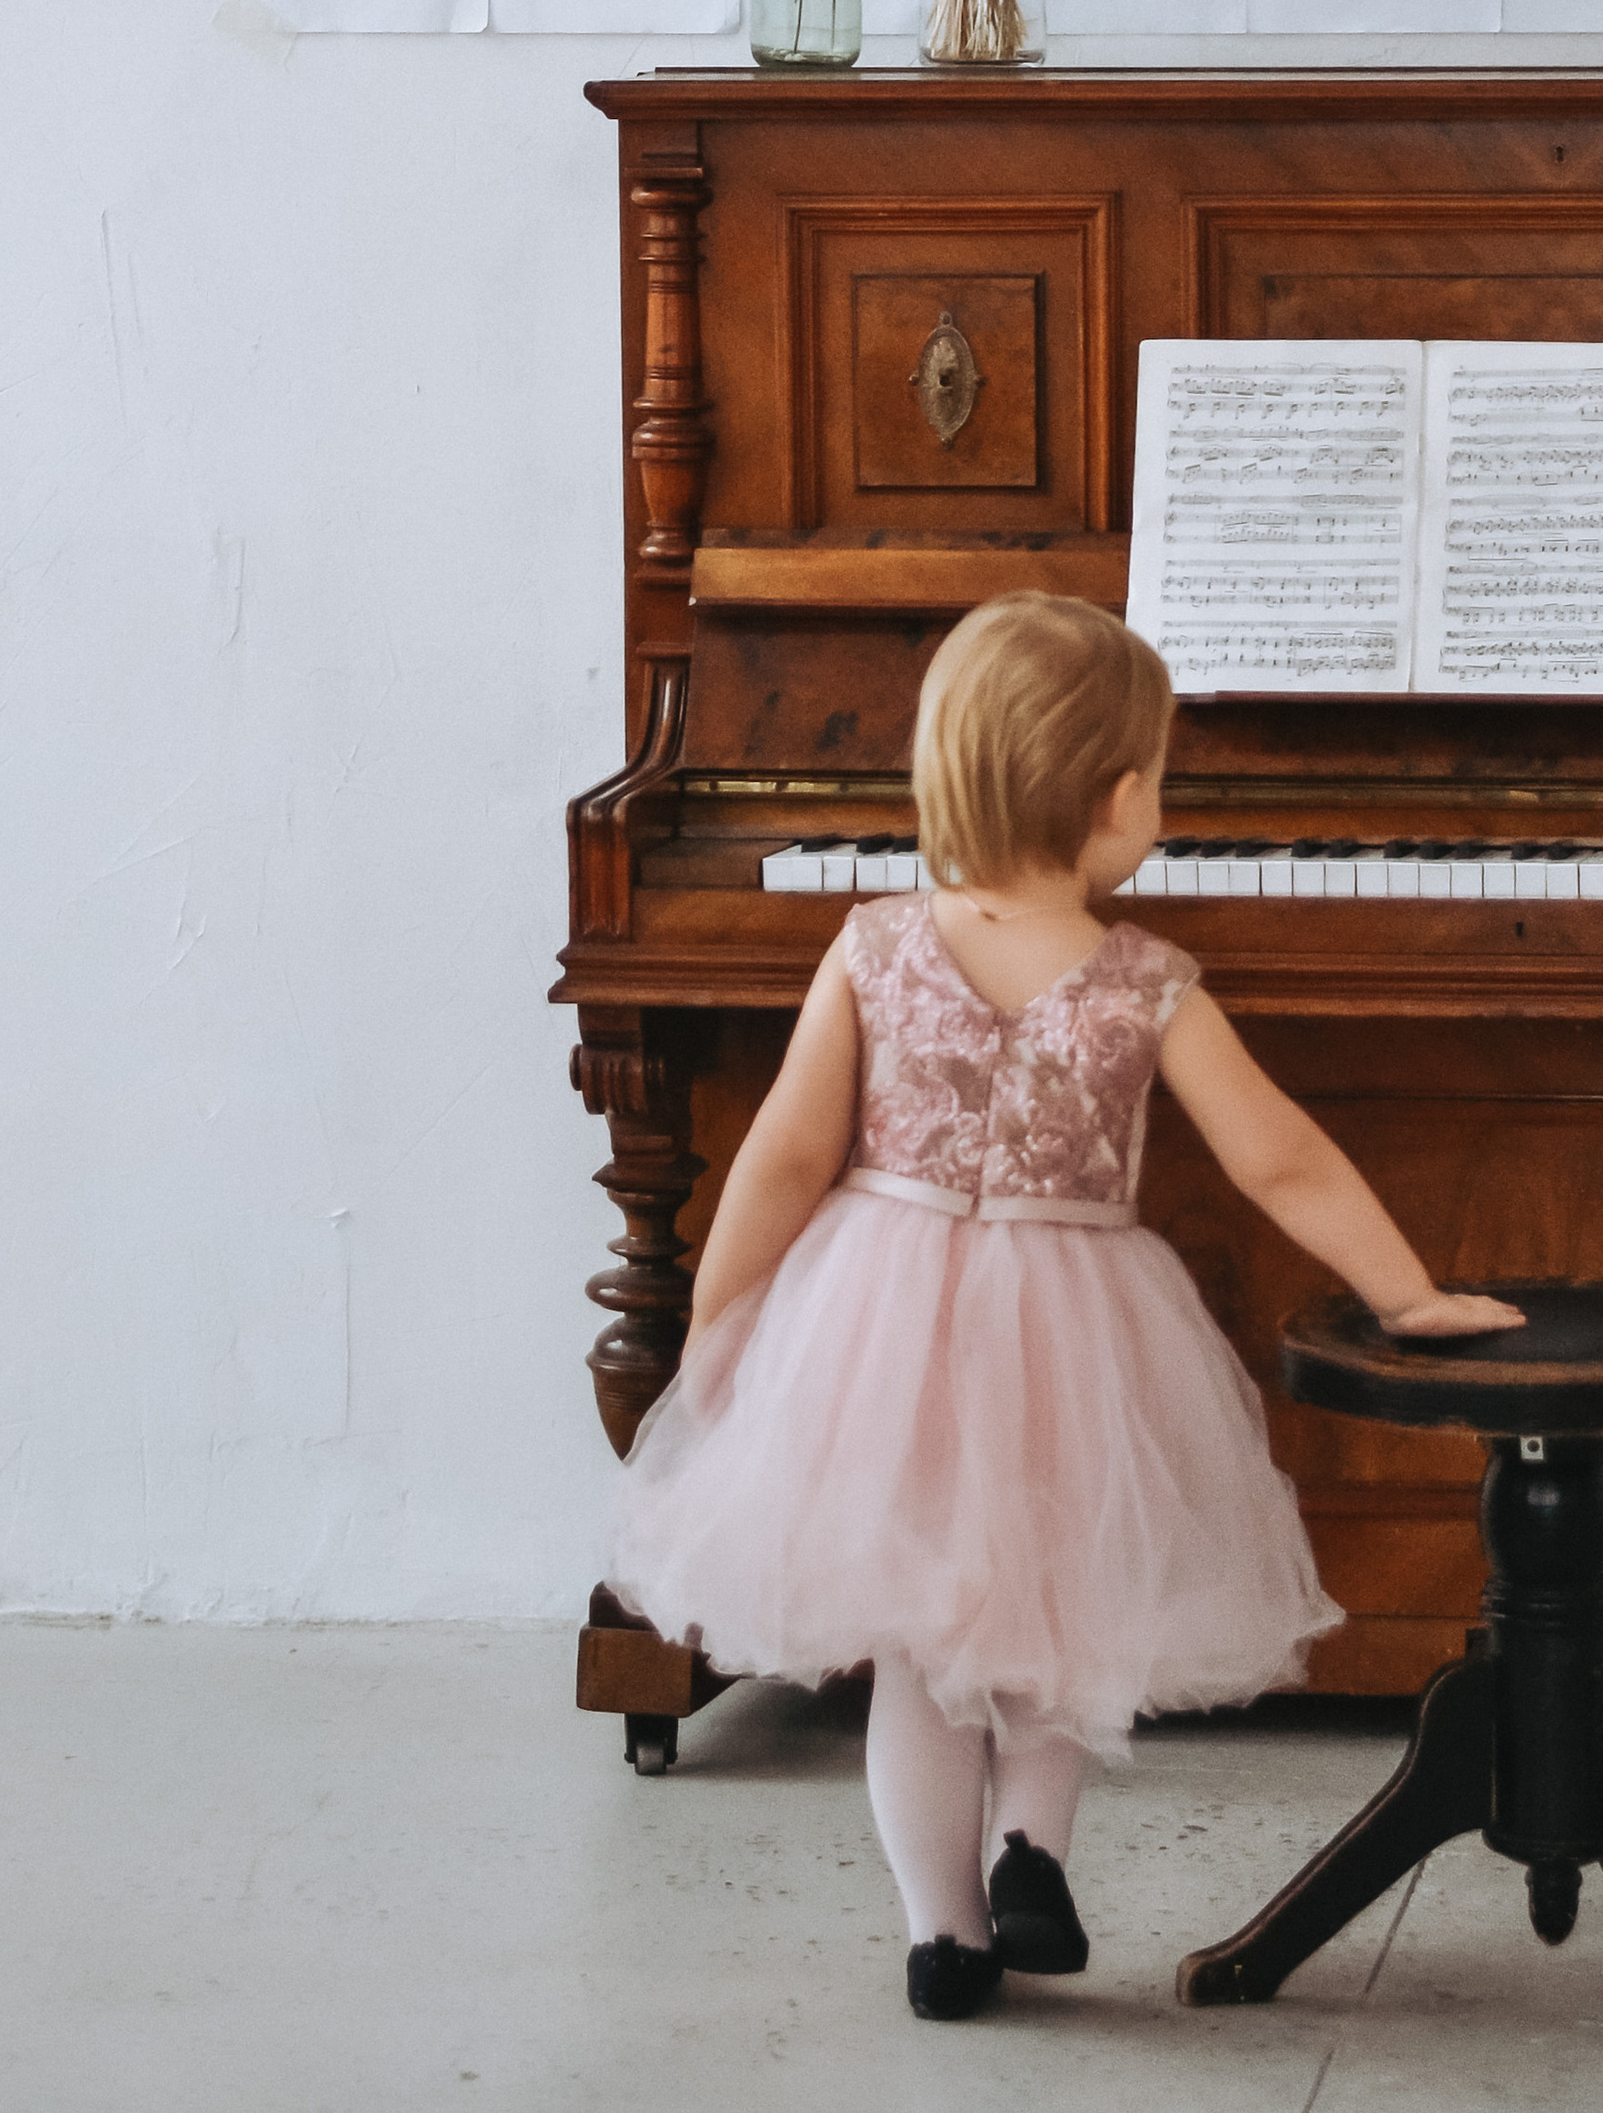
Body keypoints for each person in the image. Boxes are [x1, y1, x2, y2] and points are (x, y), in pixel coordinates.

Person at [606, 591, 1522, 2022]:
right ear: (1110, 798)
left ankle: (944, 1937)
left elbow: (785, 1156)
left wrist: (719, 1330)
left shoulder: (871, 950)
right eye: (1157, 780)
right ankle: (1032, 1849)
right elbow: (1277, 1156)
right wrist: (1408, 1293)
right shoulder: (1148, 983)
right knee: (1061, 1614)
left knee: (920, 1651)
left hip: (879, 1333)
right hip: (1074, 1325)